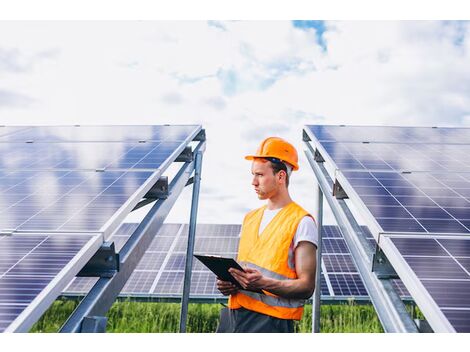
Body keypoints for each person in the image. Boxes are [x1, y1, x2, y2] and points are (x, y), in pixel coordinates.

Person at [216, 136, 318, 333]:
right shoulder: (250, 218)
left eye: (260, 175)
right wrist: (230, 283)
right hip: (233, 316)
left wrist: (265, 283)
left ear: (280, 177)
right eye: (253, 174)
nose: (253, 182)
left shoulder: (302, 221)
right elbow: (246, 269)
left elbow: (307, 287)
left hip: (271, 323)